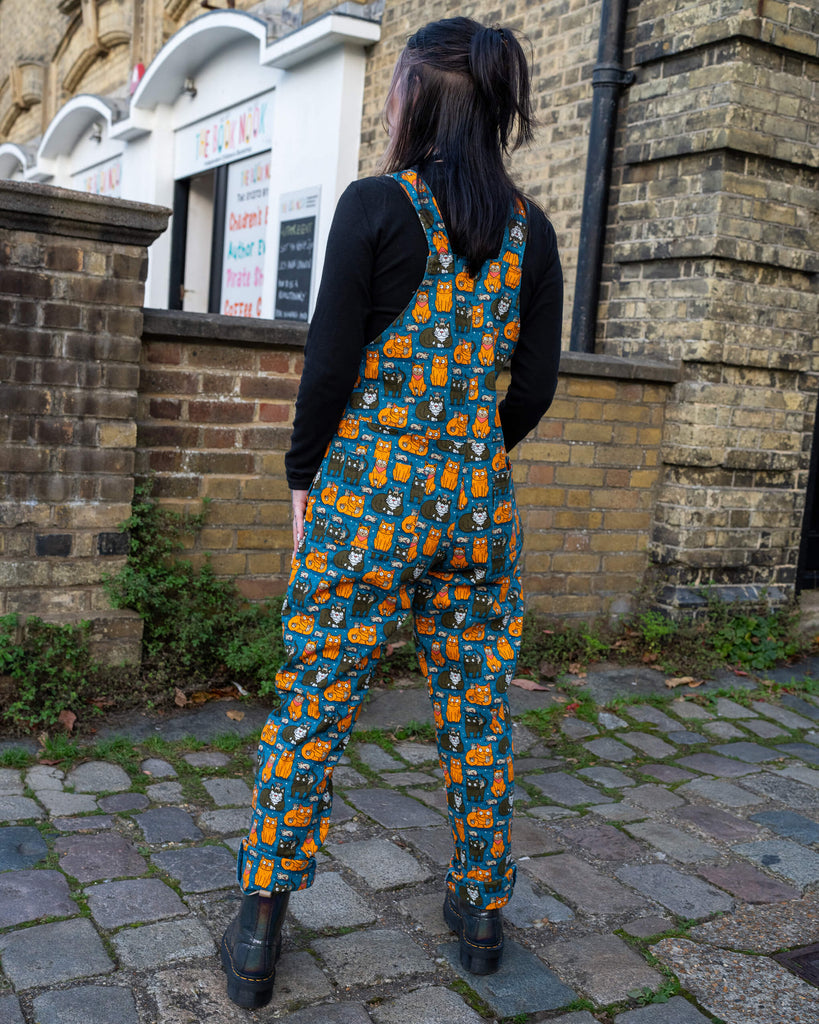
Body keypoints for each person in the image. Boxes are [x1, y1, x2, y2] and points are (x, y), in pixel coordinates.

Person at [221, 16, 563, 1008]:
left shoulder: (375, 206)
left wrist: (304, 478)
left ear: (416, 96)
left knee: (317, 698)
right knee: (475, 706)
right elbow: (533, 387)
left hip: (367, 501)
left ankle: (258, 932)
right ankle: (482, 916)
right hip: (475, 510)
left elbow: (327, 366)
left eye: (394, 89)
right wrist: (468, 454)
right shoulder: (532, 233)